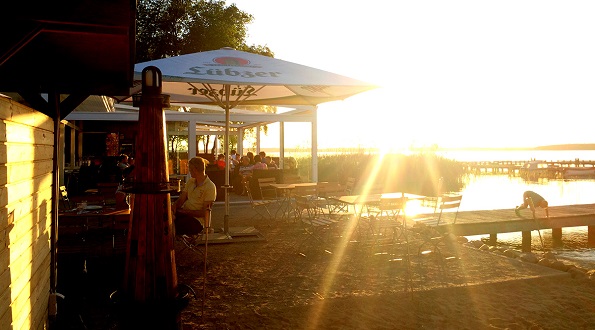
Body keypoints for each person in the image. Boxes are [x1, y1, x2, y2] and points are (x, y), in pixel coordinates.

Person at [172, 157, 217, 233]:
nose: (189, 171)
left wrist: (185, 211)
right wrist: (174, 207)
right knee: (167, 218)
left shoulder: (210, 187)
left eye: (190, 169)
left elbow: (205, 212)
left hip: (197, 221)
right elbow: (181, 199)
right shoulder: (191, 182)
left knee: (174, 224)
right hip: (185, 216)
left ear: (195, 170)